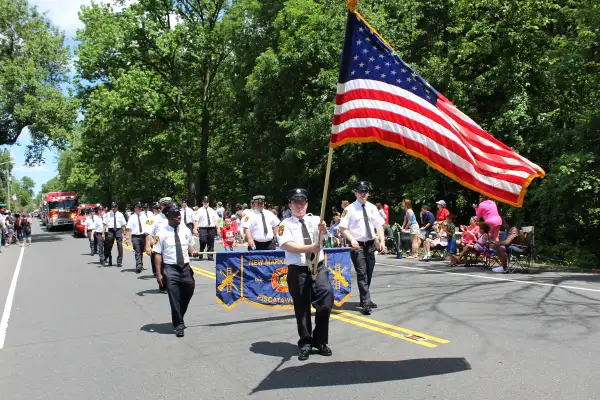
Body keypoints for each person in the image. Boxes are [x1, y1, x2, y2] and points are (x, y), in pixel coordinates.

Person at [277, 188, 333, 361]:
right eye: (296, 202)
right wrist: (309, 248)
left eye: (302, 202)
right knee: (302, 309)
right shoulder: (284, 225)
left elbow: (325, 239)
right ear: (290, 204)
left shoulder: (317, 220)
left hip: (318, 266)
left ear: (307, 203)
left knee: (326, 300)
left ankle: (320, 340)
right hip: (298, 269)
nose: (299, 205)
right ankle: (306, 343)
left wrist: (323, 231)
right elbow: (287, 245)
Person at [339, 181, 385, 315]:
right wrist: (352, 239)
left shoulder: (372, 208)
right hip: (357, 246)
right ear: (356, 193)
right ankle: (366, 302)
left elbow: (379, 225)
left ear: (368, 193)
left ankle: (365, 298)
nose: (363, 194)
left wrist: (381, 240)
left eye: (365, 192)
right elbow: (343, 228)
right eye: (360, 192)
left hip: (371, 245)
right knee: (362, 273)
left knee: (369, 273)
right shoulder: (349, 209)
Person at [153, 204, 198, 337]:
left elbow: (190, 246)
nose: (179, 217)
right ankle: (178, 324)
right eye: (176, 215)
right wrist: (159, 274)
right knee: (174, 297)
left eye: (180, 215)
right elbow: (157, 254)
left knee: (189, 289)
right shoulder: (161, 233)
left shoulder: (185, 231)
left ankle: (179, 316)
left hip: (185, 268)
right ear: (169, 217)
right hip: (170, 268)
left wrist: (193, 251)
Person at [146, 198, 172, 292]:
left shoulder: (173, 216)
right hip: (158, 245)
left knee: (170, 265)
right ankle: (162, 284)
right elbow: (149, 233)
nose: (166, 207)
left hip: (171, 245)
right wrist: (148, 245)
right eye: (164, 205)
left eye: (167, 205)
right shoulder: (154, 218)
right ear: (161, 207)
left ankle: (171, 284)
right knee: (160, 266)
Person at [125, 202, 148, 273]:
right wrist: (127, 238)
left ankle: (140, 263)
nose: (138, 209)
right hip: (135, 236)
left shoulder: (144, 216)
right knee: (137, 250)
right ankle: (138, 265)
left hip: (143, 236)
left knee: (141, 251)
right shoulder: (132, 217)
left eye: (140, 208)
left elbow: (148, 226)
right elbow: (129, 229)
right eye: (137, 208)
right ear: (135, 209)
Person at [103, 202, 127, 267]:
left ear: (117, 208)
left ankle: (119, 262)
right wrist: (103, 233)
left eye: (115, 207)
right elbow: (105, 224)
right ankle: (109, 259)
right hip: (110, 230)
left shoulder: (120, 214)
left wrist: (124, 233)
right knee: (109, 246)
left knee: (120, 246)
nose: (113, 208)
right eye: (112, 207)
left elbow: (123, 224)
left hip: (118, 230)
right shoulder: (108, 214)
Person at [196, 196, 218, 260]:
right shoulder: (199, 210)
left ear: (208, 202)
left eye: (207, 202)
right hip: (203, 228)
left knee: (211, 242)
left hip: (211, 228)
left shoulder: (212, 210)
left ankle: (210, 256)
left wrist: (218, 228)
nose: (206, 203)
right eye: (205, 202)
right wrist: (195, 229)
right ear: (202, 202)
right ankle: (201, 252)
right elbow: (196, 220)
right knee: (203, 240)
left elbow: (215, 220)